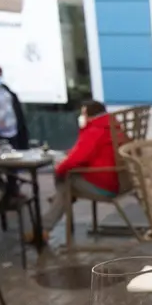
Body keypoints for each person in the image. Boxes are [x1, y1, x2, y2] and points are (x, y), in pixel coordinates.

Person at [41, 101, 119, 237]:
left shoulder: (95, 130)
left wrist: (59, 169)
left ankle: (44, 229)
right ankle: (51, 215)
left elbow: (78, 158)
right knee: (65, 187)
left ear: (89, 115)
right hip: (112, 179)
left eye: (83, 113)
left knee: (64, 181)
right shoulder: (110, 126)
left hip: (102, 183)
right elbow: (83, 152)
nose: (81, 117)